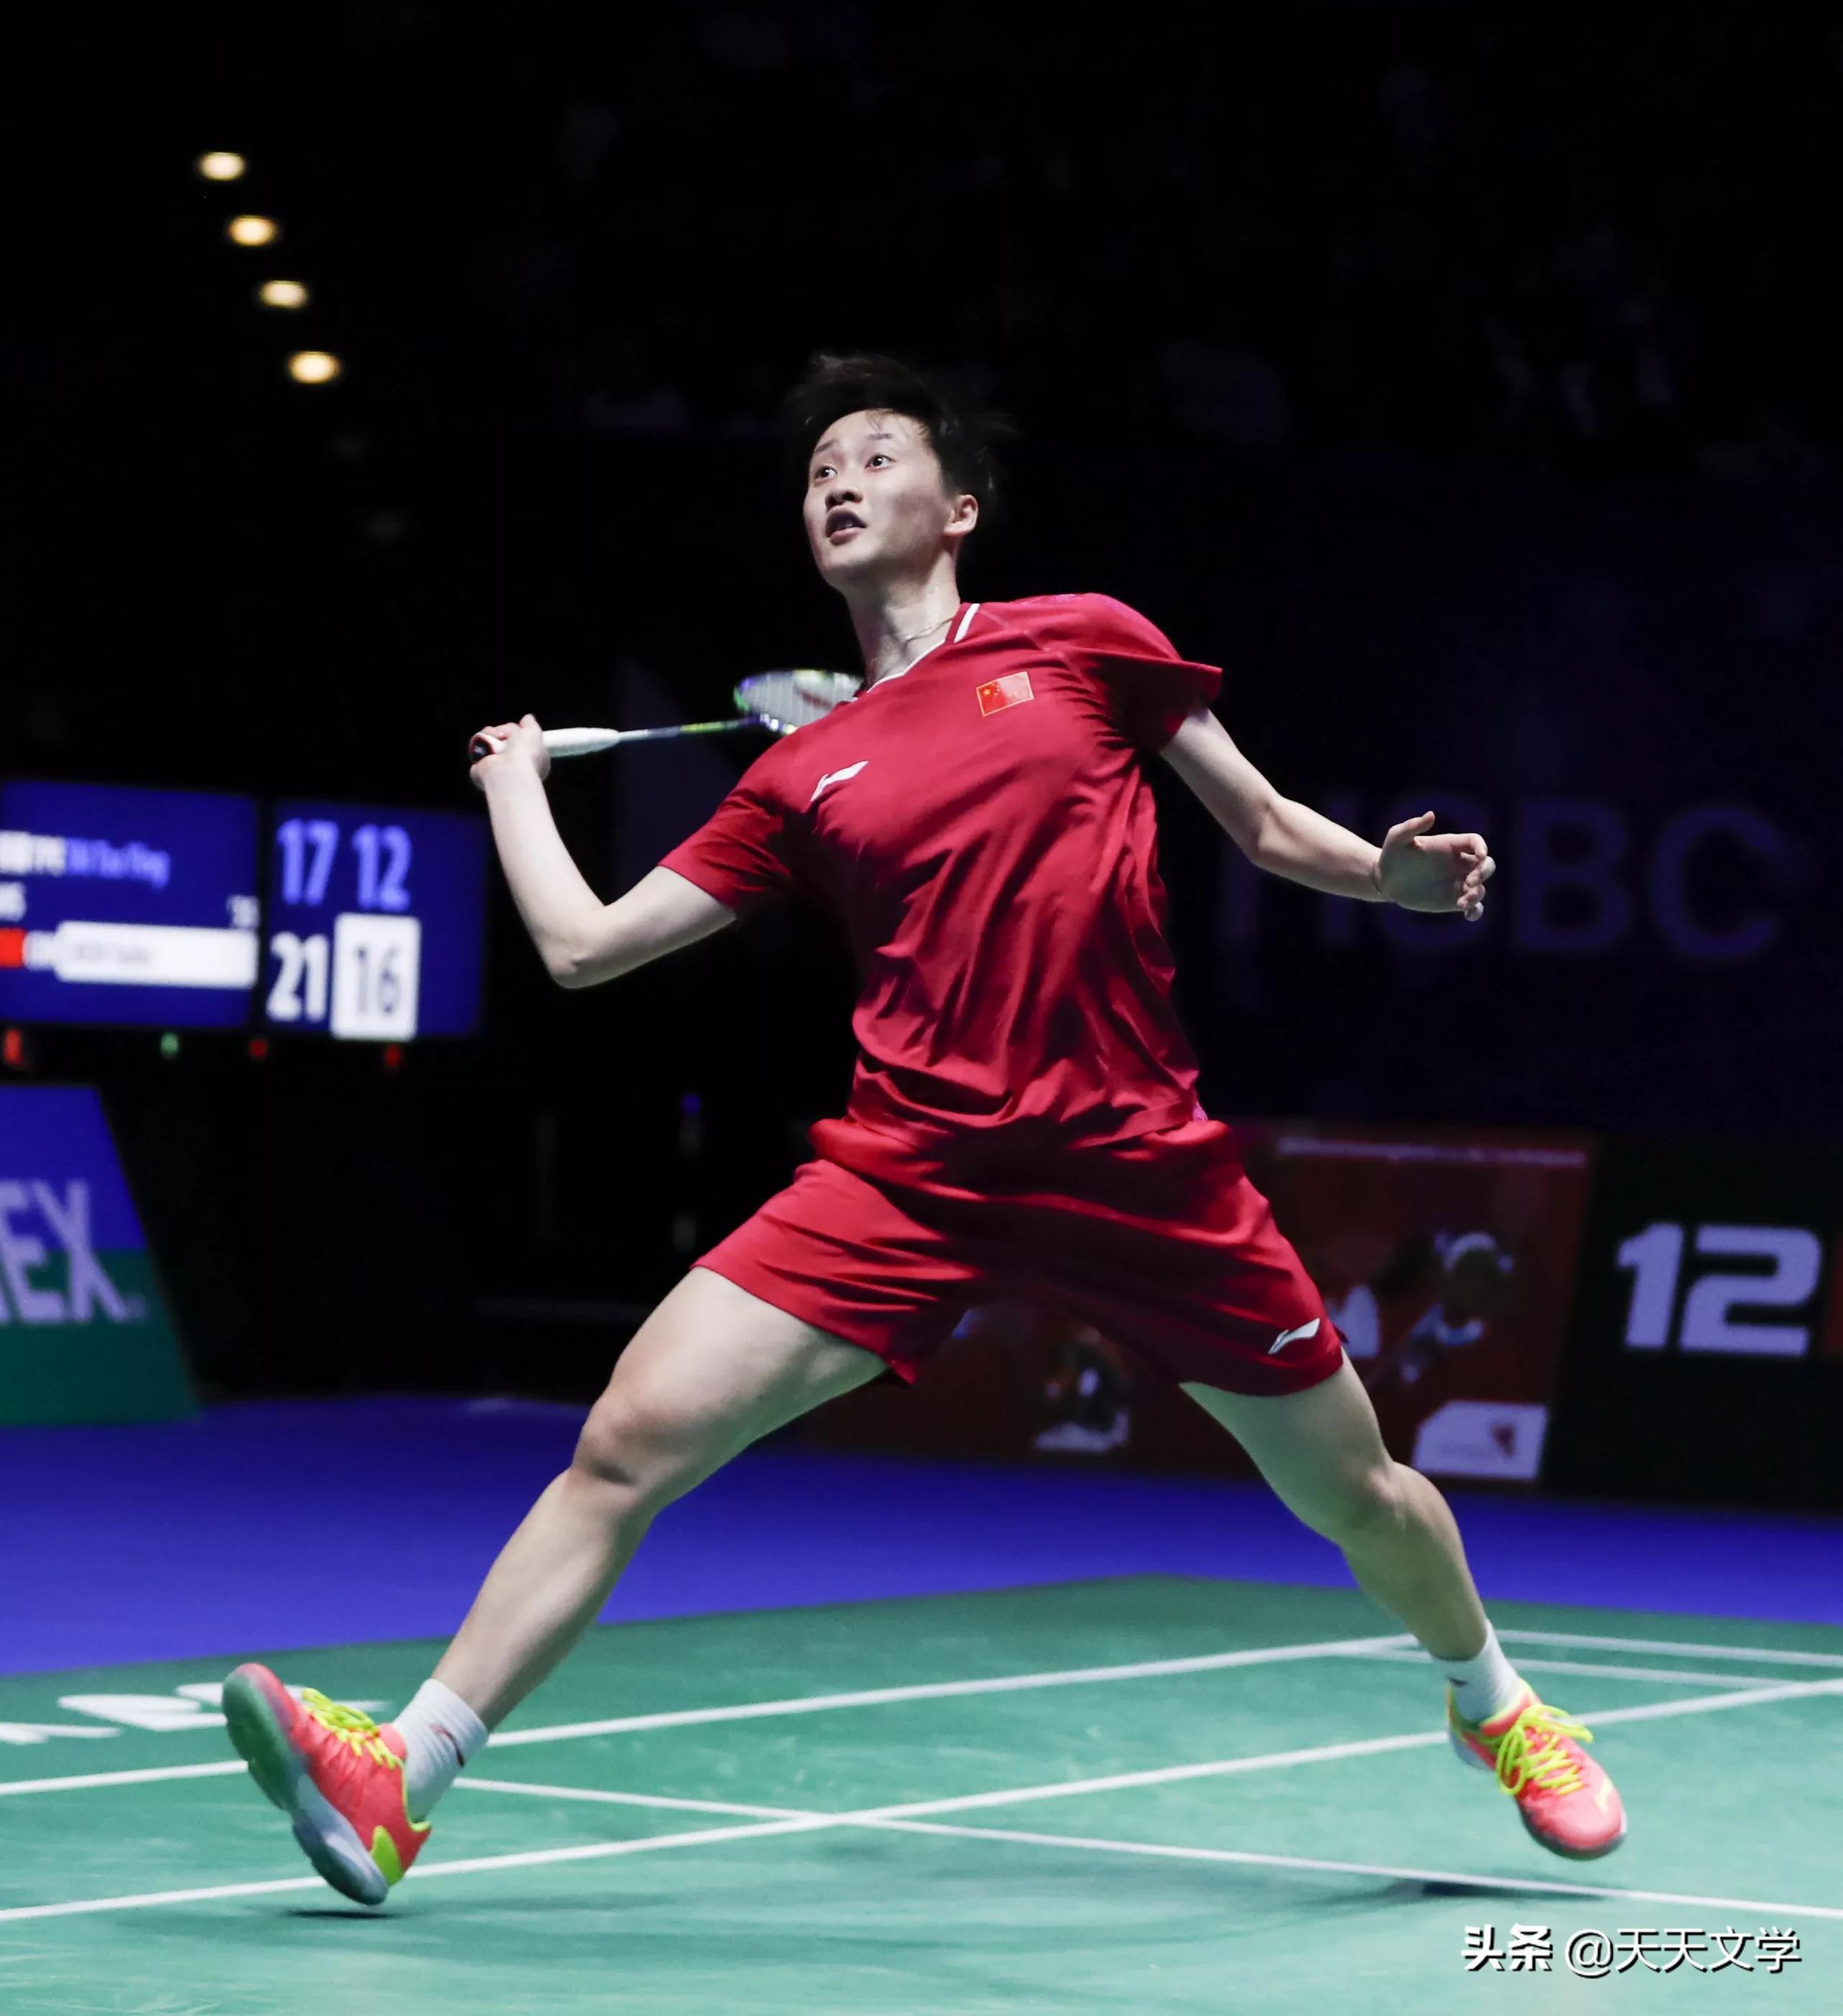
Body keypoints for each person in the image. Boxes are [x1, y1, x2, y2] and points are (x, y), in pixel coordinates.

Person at [222, 351, 1625, 1905]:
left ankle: (1493, 1703)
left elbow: (1262, 820)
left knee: (1351, 1489)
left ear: (957, 508)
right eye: (819, 467)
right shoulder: (797, 770)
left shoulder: (1080, 640)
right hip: (912, 1168)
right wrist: (510, 787)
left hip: (1130, 1155)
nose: (838, 479)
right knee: (626, 1439)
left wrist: (1384, 876)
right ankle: (402, 1774)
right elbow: (584, 946)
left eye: (876, 454)